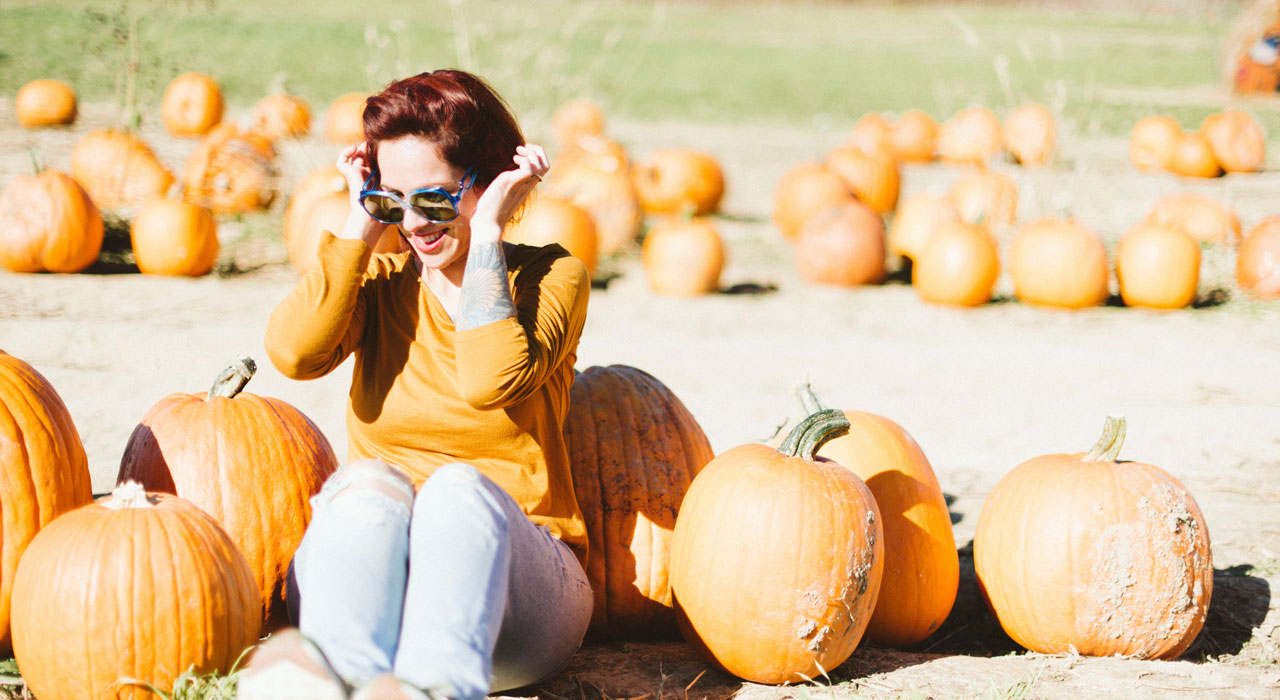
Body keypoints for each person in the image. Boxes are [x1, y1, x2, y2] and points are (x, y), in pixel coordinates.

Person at [237, 69, 593, 700]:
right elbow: (294, 353)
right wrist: (359, 223)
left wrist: (485, 236)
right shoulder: (379, 282)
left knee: (457, 491)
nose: (415, 224)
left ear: (492, 184)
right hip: (376, 583)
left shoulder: (548, 279)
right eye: (391, 200)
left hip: (518, 592)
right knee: (365, 487)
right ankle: (340, 679)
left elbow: (488, 379)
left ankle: (434, 690)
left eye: (434, 199)